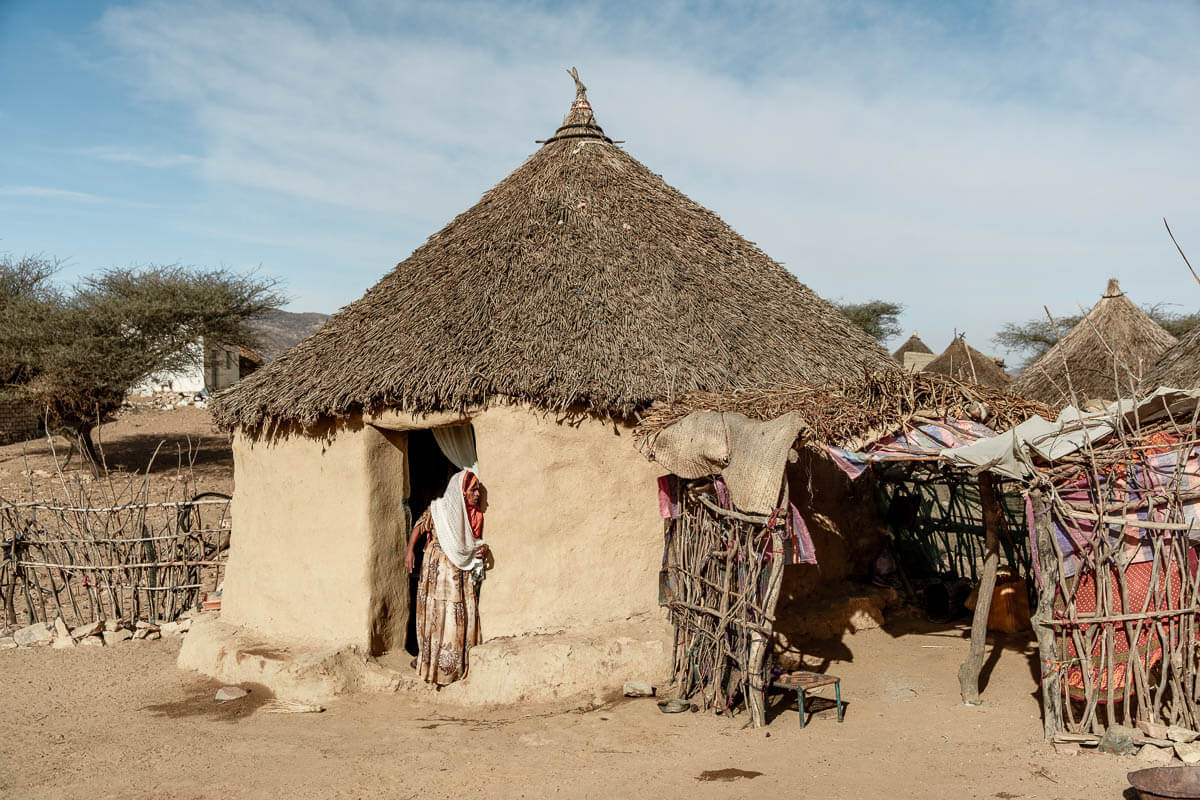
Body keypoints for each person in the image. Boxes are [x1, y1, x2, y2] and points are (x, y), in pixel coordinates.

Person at [404, 469, 488, 686]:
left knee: (454, 616)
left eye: (478, 489)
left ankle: (452, 666)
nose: (477, 494)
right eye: (473, 489)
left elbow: (472, 542)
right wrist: (410, 549)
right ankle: (429, 660)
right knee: (435, 614)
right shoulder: (440, 509)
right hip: (438, 569)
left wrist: (481, 549)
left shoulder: (474, 515)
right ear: (461, 491)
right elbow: (420, 526)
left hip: (459, 571)